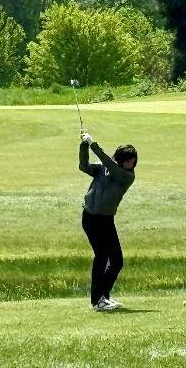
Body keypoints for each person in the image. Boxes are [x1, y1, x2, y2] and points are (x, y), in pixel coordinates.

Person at [78, 129, 137, 311]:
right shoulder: (104, 167)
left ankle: (104, 295)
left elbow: (110, 166)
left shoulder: (127, 176)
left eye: (133, 160)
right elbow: (84, 166)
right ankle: (97, 301)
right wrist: (84, 145)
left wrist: (93, 143)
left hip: (106, 219)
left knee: (117, 260)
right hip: (91, 217)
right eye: (127, 160)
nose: (131, 163)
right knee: (102, 256)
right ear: (120, 159)